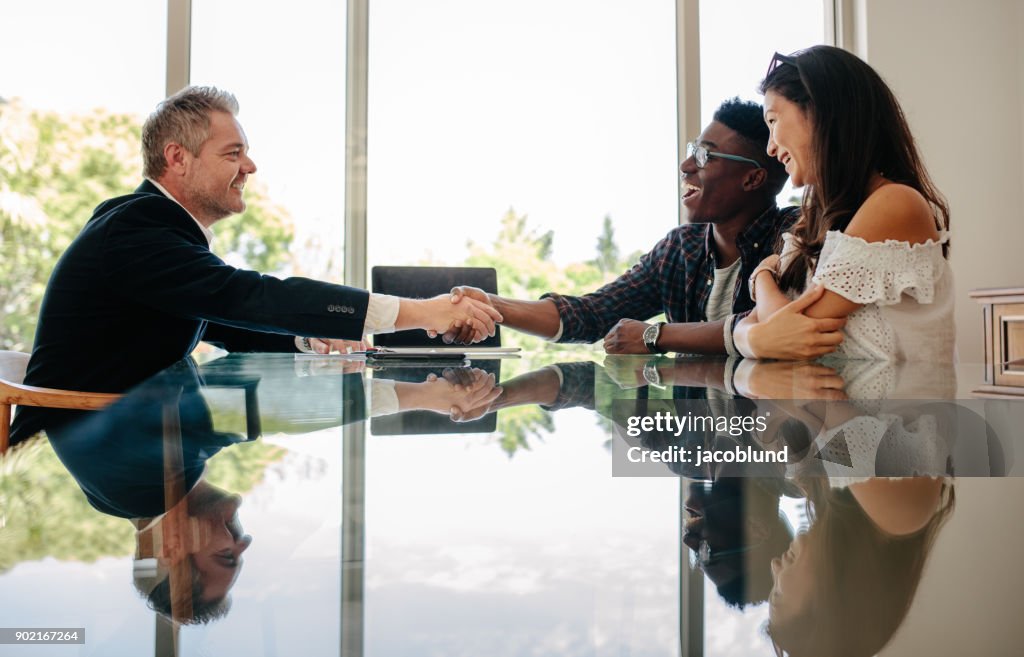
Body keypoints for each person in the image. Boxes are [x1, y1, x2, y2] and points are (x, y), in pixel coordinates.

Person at [9, 86, 500, 446]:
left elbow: (225, 320)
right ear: (177, 158)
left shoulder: (151, 226)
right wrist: (424, 312)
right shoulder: (137, 230)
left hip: (119, 431)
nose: (250, 167)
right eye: (233, 153)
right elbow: (248, 296)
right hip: (84, 446)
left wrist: (312, 339)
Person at [440, 98, 846, 357]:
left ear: (753, 179)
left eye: (705, 156)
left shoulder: (797, 234)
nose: (687, 166)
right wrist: (495, 305)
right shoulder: (680, 249)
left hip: (773, 441)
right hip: (705, 431)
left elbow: (768, 331)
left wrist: (656, 336)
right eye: (691, 152)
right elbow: (592, 315)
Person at [734, 46, 954, 362]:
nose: (769, 147)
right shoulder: (815, 220)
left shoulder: (895, 204)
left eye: (773, 120)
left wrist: (761, 279)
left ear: (821, 112)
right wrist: (751, 335)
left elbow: (793, 337)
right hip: (824, 406)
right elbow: (766, 332)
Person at [765, 477, 955, 657]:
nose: (774, 566)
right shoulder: (899, 513)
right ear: (829, 607)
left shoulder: (850, 500)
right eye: (777, 595)